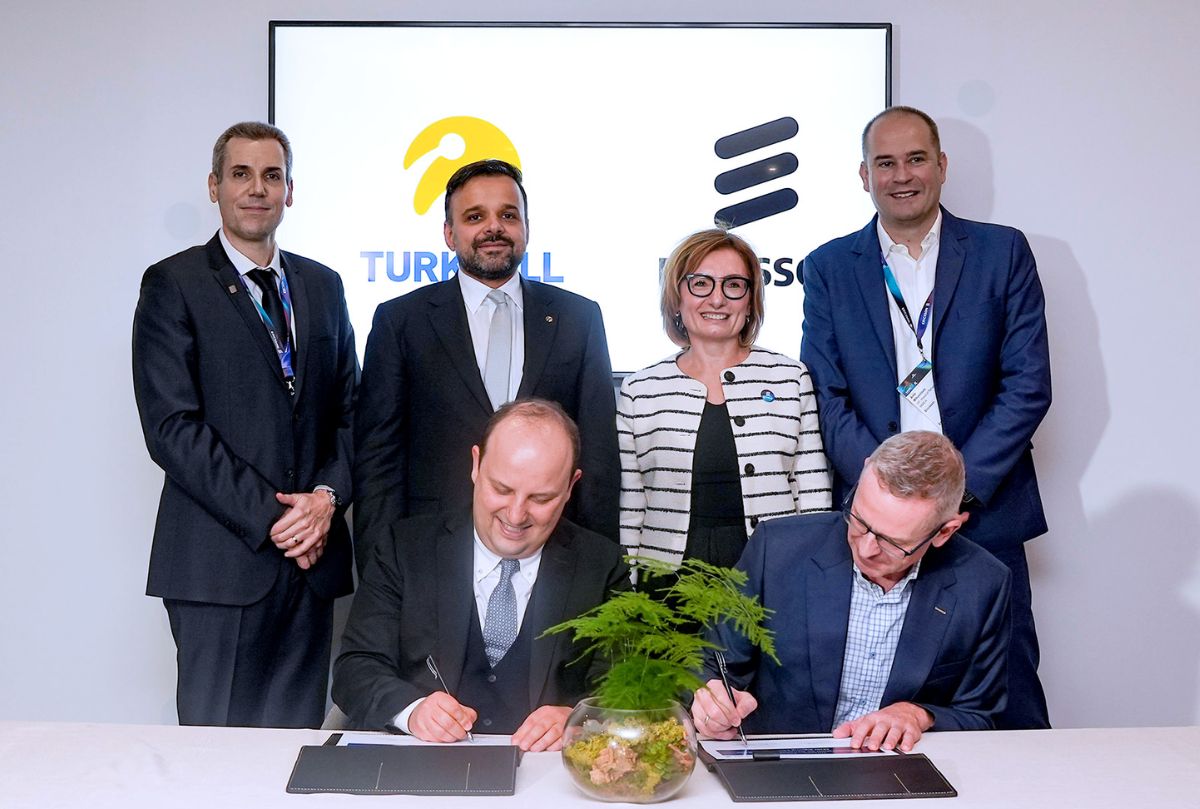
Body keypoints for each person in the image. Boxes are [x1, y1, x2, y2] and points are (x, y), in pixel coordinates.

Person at [799, 106, 1051, 729]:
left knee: (1008, 688)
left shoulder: (1001, 252)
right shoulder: (828, 267)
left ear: (941, 166)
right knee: (880, 683)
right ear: (865, 175)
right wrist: (887, 498)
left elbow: (1028, 386)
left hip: (981, 508)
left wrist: (956, 490)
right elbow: (826, 394)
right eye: (885, 163)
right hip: (877, 523)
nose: (902, 175)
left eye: (916, 159)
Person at [132, 121, 357, 728]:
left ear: (290, 191)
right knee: (214, 758)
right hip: (219, 569)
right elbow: (172, 428)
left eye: (272, 175)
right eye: (241, 174)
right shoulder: (173, 284)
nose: (257, 189)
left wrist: (326, 500)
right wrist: (279, 518)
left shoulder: (324, 286)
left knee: (293, 752)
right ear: (215, 187)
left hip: (311, 568)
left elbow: (350, 412)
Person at [353, 159, 620, 569]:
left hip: (554, 554)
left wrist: (599, 567)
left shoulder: (578, 318)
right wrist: (380, 570)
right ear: (449, 233)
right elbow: (378, 460)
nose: (493, 228)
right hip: (431, 555)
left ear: (526, 228)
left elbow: (597, 455)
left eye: (508, 216)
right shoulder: (401, 321)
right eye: (475, 217)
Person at [333, 400, 629, 751]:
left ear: (570, 486)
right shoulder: (404, 549)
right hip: (422, 764)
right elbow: (356, 668)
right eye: (502, 489)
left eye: (540, 498)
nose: (515, 515)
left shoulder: (602, 566)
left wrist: (579, 718)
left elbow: (624, 687)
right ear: (476, 464)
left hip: (546, 771)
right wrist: (412, 712)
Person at [692, 432, 1011, 752]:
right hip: (782, 763)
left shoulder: (982, 584)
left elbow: (979, 715)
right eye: (859, 521)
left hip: (898, 764)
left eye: (893, 543)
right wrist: (710, 699)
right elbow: (709, 662)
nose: (866, 548)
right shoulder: (776, 549)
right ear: (863, 474)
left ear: (944, 532)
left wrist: (919, 714)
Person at [618, 229, 831, 576]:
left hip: (772, 575)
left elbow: (813, 498)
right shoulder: (640, 390)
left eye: (733, 285)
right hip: (666, 583)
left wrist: (808, 578)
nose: (717, 300)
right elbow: (631, 509)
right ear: (676, 298)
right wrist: (628, 587)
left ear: (750, 301)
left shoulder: (790, 378)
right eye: (700, 284)